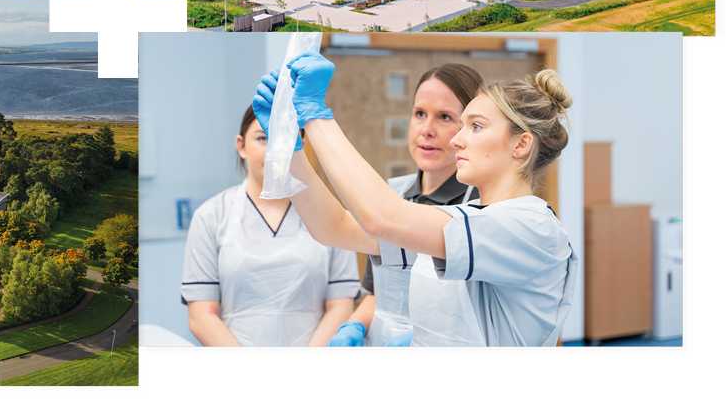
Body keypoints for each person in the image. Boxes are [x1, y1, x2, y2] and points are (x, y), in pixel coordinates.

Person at [255, 54, 578, 347]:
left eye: (475, 126)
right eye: (461, 125)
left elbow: (380, 218)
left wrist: (315, 114)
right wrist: (288, 146)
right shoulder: (465, 218)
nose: (456, 139)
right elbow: (334, 227)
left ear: (521, 145)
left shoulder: (528, 227)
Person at [325, 64, 481, 348]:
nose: (426, 130)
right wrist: (355, 325)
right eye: (419, 114)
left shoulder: (478, 206)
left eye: (445, 117)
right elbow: (376, 292)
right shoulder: (388, 195)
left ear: (469, 129)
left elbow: (482, 312)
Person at [181, 105, 359, 347]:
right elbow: (202, 316)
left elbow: (340, 306)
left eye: (285, 138)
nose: (274, 150)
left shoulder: (332, 216)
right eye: (263, 138)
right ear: (241, 145)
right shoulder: (210, 216)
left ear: (301, 145)